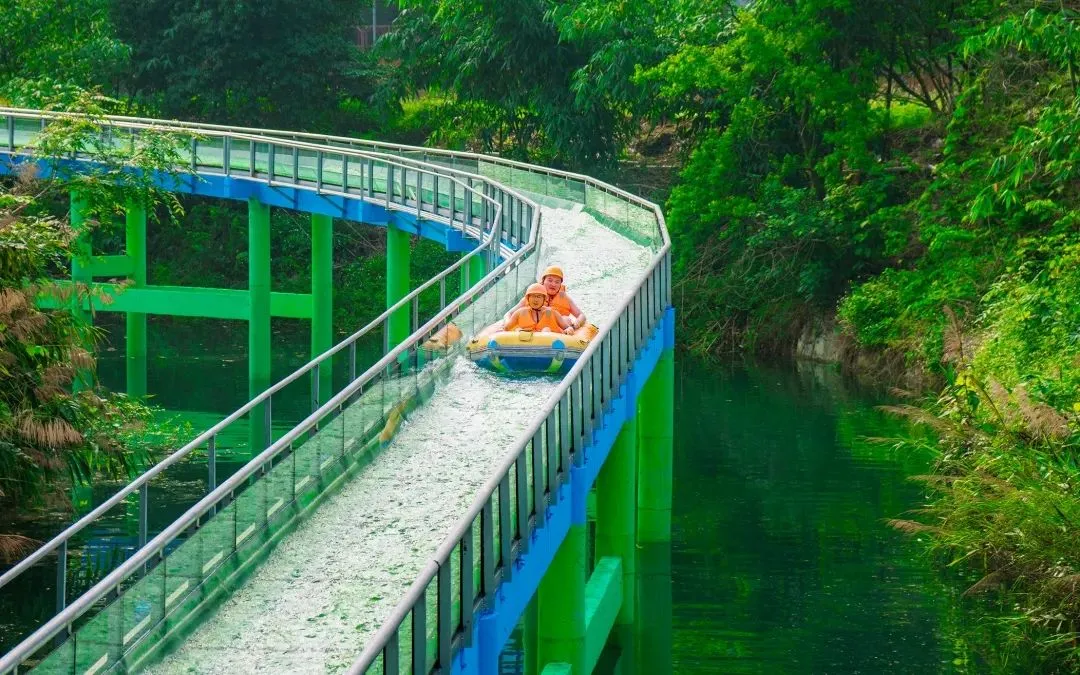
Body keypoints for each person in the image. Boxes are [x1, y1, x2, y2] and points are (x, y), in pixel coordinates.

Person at [503, 265, 587, 329]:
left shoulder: (564, 298)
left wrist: (577, 322)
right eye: (550, 280)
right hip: (530, 329)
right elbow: (509, 313)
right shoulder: (531, 297)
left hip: (557, 330)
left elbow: (581, 315)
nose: (553, 284)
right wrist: (508, 323)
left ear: (560, 285)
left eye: (557, 282)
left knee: (566, 319)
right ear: (543, 281)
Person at [504, 284, 576, 334]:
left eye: (538, 297)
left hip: (547, 346)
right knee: (519, 330)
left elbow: (567, 327)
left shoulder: (553, 313)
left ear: (544, 299)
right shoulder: (519, 313)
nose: (535, 300)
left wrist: (569, 329)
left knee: (546, 330)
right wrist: (517, 331)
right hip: (525, 346)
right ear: (528, 298)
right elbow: (506, 328)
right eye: (533, 296)